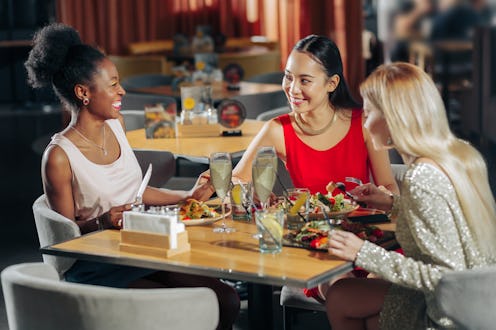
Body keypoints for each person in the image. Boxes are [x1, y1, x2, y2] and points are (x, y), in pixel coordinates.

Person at [25, 23, 238, 330]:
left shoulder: (116, 125)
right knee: (186, 310)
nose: (121, 91)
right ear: (83, 92)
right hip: (99, 267)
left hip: (142, 250)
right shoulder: (58, 156)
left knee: (226, 298)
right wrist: (103, 221)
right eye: (112, 85)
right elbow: (64, 236)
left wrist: (187, 197)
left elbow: (134, 192)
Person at [325, 62, 496, 329]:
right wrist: (394, 204)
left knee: (340, 297)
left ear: (393, 117)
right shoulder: (460, 153)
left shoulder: (421, 177)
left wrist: (364, 252)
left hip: (449, 313)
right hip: (485, 302)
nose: (365, 123)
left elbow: (446, 277)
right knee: (354, 292)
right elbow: (451, 223)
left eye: (368, 113)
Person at [230, 34, 399, 195]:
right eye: (288, 77)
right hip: (307, 224)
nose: (293, 89)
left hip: (361, 224)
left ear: (332, 84)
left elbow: (389, 186)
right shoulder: (278, 129)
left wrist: (386, 196)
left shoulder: (363, 124)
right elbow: (237, 179)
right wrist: (247, 191)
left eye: (305, 81)